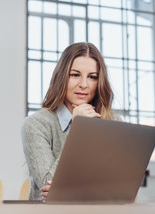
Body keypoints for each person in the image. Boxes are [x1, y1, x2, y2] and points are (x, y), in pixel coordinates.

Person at [22, 42, 118, 200]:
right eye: (75, 75)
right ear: (62, 77)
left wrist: (74, 191)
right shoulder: (35, 124)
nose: (83, 85)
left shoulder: (113, 122)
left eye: (92, 77)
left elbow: (122, 189)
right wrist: (78, 130)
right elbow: (48, 186)